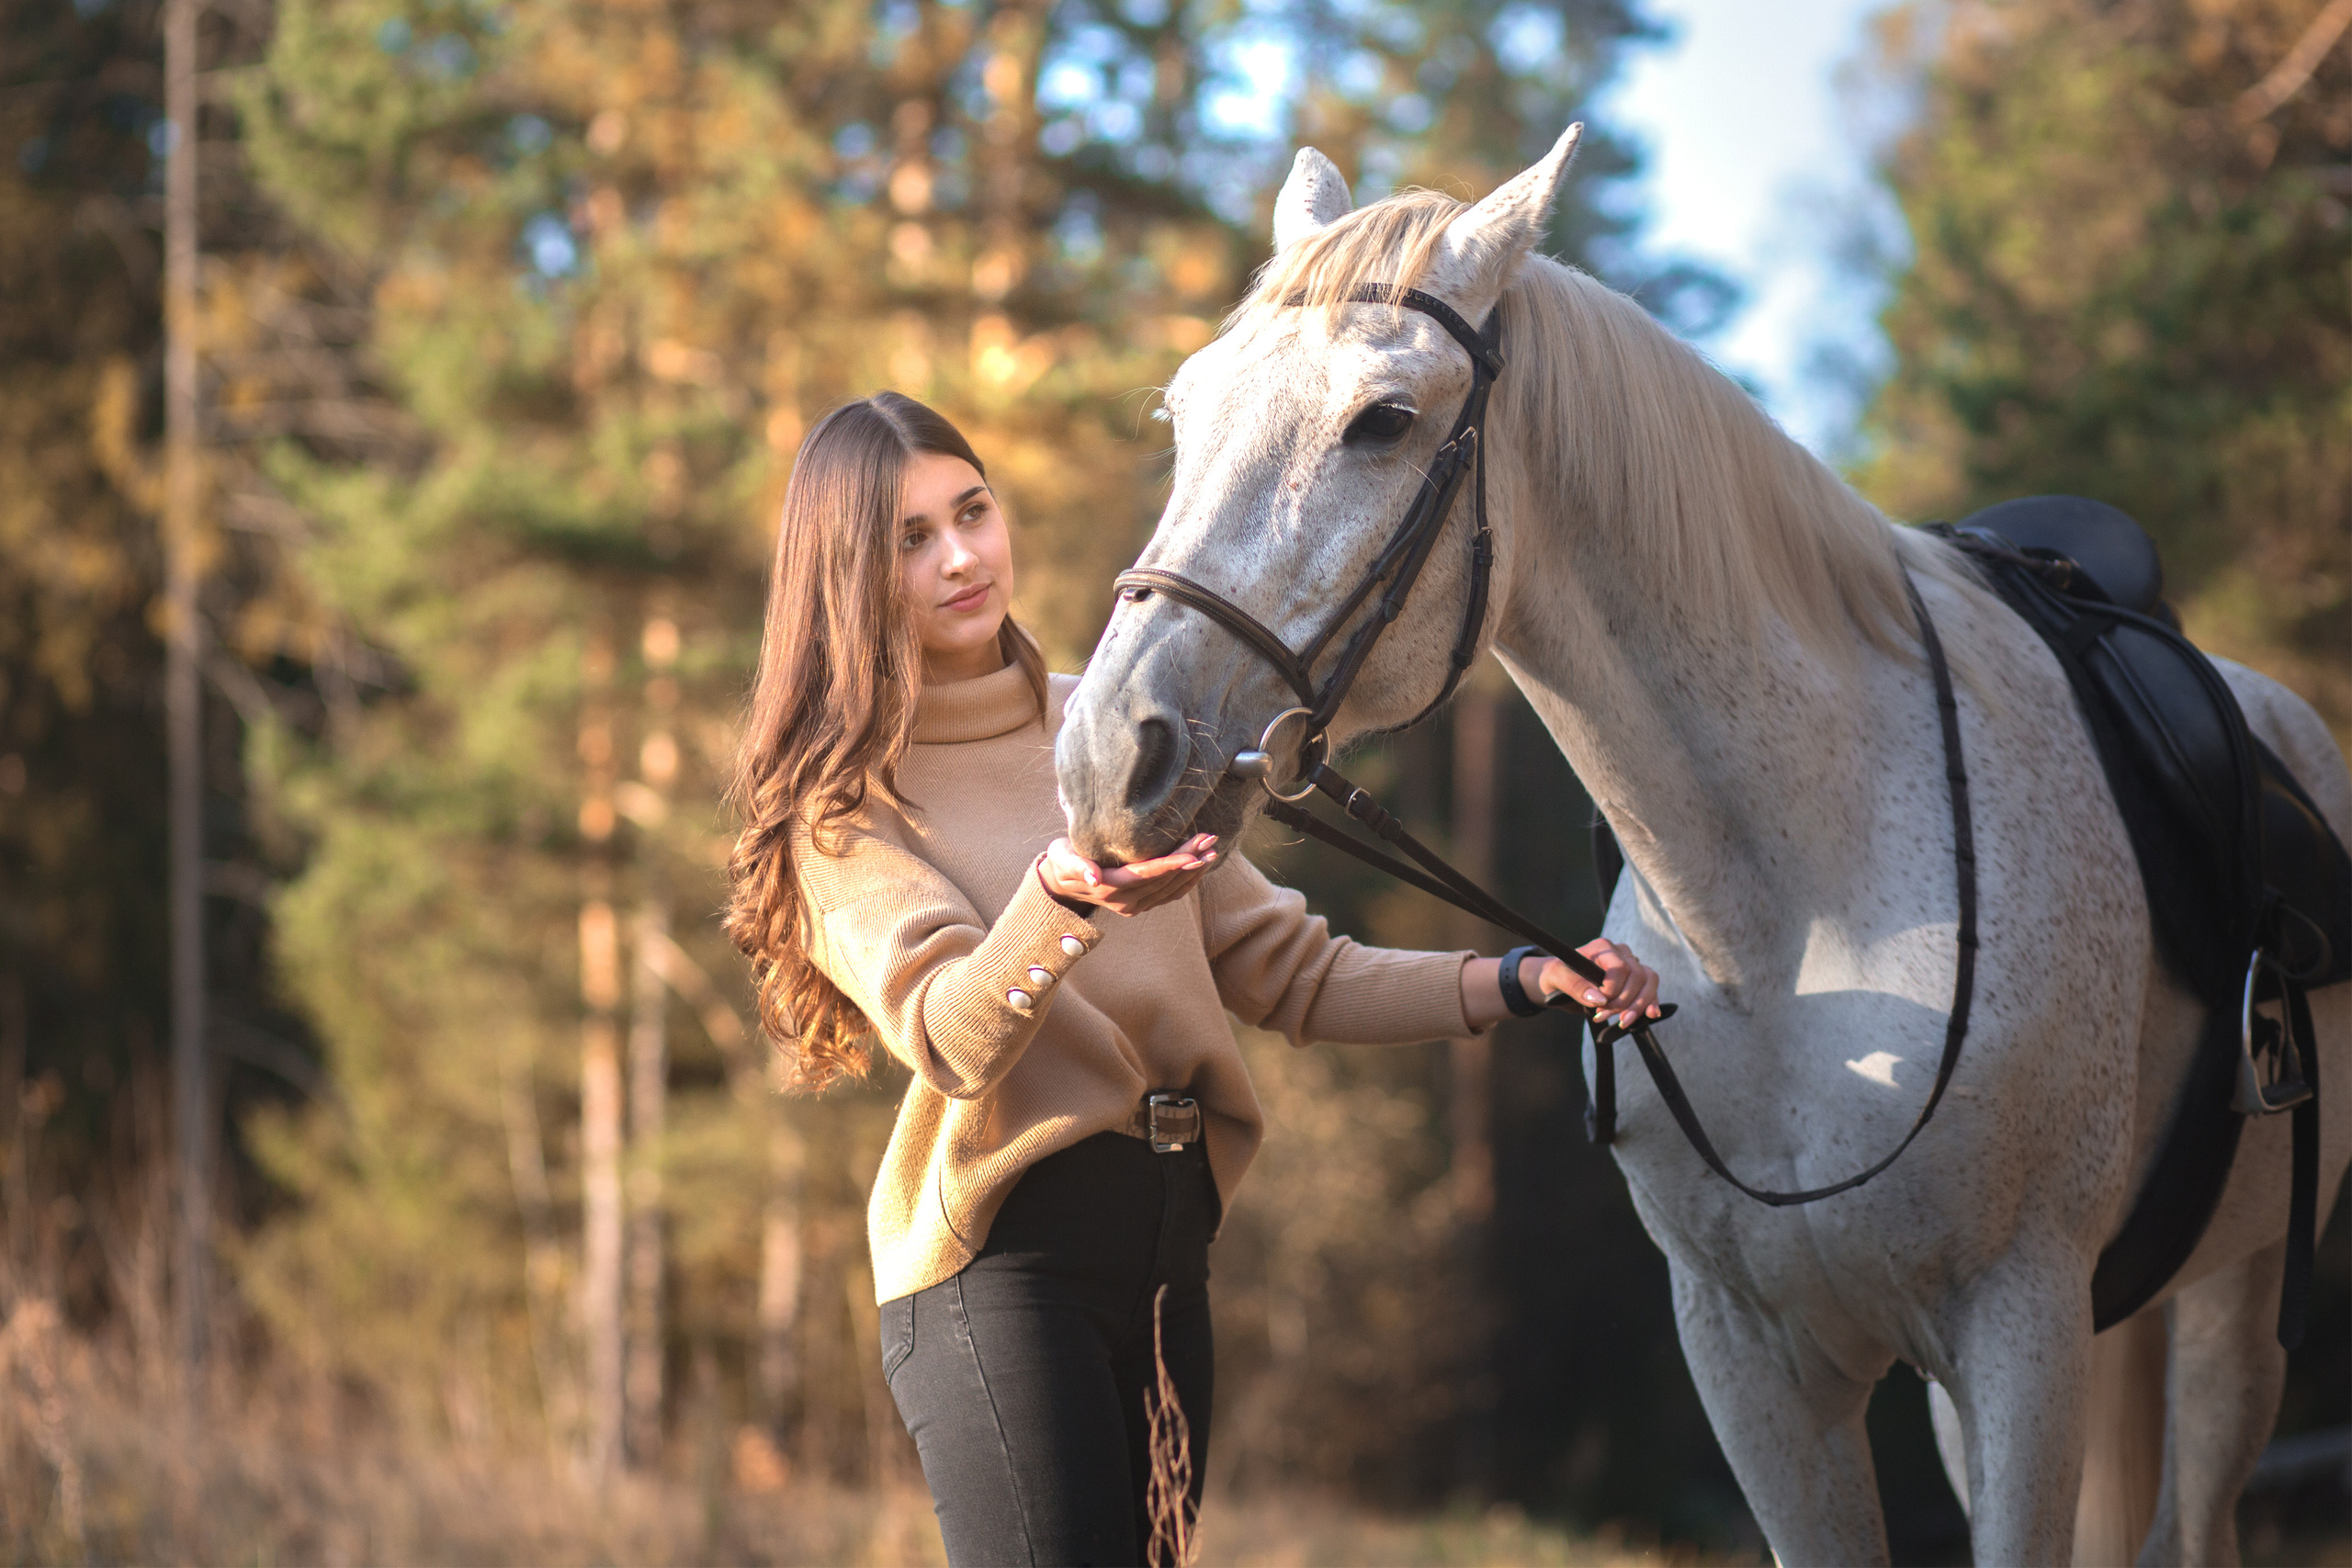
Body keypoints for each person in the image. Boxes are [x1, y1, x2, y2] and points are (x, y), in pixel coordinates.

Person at [726, 391, 1661, 1566]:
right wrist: (1060, 897)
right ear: (845, 573)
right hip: (1000, 1267)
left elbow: (1297, 976)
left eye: (973, 511)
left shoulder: (1112, 730)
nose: (963, 556)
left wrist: (1523, 978)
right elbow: (950, 1036)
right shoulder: (846, 807)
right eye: (911, 539)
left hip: (1171, 1250)